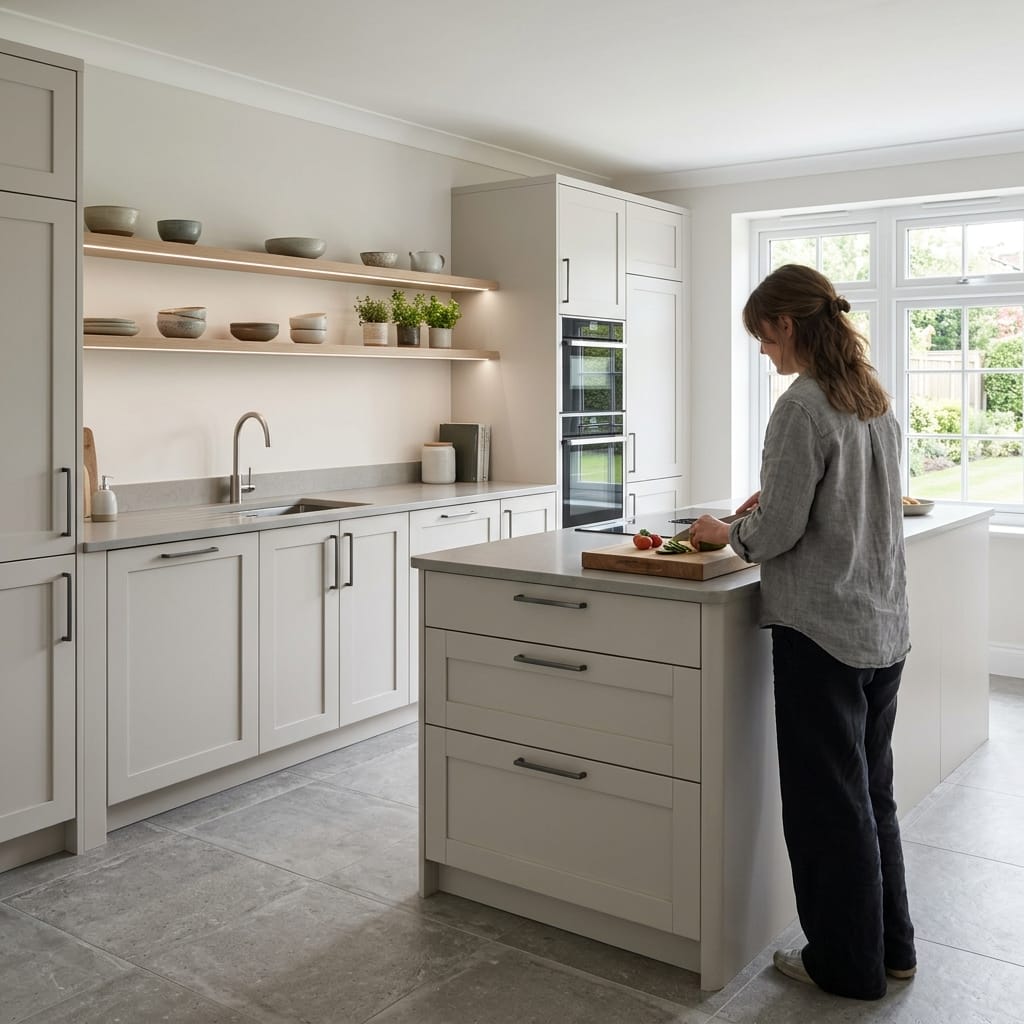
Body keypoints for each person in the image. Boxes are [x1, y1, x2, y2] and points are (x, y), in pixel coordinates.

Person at [687, 264, 916, 1001]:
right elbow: (836, 508)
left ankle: (844, 965)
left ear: (787, 324)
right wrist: (769, 510)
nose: (762, 350)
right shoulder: (872, 399)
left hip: (820, 630)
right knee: (870, 794)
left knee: (826, 806)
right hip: (882, 625)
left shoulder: (801, 406)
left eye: (761, 334)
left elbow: (778, 532)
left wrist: (729, 532)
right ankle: (892, 948)